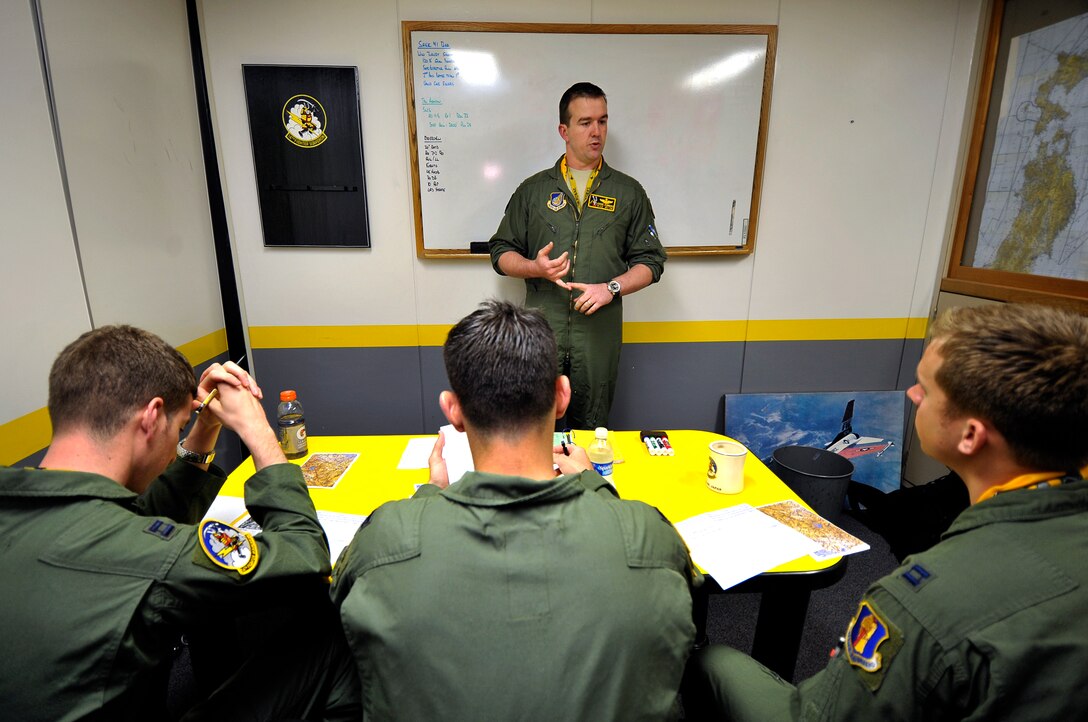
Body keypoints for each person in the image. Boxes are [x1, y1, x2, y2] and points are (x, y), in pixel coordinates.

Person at [682, 303, 1088, 721]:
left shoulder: (925, 599)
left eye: (926, 390)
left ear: (970, 435)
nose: (912, 395)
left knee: (709, 661)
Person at [331, 300, 699, 720]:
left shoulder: (384, 541)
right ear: (562, 396)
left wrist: (431, 494)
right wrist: (593, 484)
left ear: (453, 411)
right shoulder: (646, 534)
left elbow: (341, 600)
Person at [0, 325, 356, 721]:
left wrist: (204, 427)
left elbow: (134, 516)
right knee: (330, 632)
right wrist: (258, 432)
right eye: (179, 427)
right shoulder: (145, 557)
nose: (175, 447)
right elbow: (305, 557)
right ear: (152, 417)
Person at [489, 81, 667, 430]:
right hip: (542, 335)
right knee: (536, 429)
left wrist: (611, 288)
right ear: (564, 131)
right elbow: (501, 252)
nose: (596, 131)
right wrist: (534, 267)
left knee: (592, 433)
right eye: (585, 122)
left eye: (602, 121)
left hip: (598, 339)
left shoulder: (628, 193)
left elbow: (651, 262)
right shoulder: (533, 191)